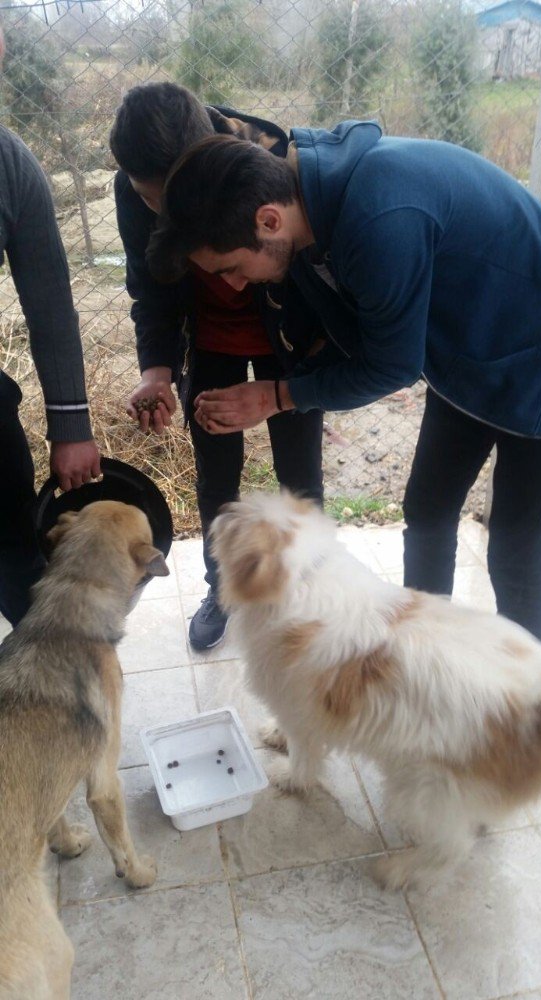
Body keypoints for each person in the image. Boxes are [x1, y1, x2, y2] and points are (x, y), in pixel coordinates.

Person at [147, 121, 541, 646]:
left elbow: (391, 366)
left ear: (268, 219)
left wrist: (279, 396)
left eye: (231, 267)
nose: (233, 285)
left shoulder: (378, 216)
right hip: (469, 356)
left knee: (517, 549)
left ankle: (529, 708)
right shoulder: (309, 210)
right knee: (429, 512)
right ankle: (422, 652)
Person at [109, 83, 324, 651]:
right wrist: (156, 368)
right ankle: (221, 587)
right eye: (150, 202)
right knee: (215, 475)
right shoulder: (133, 189)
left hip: (290, 342)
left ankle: (310, 587)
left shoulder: (274, 163)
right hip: (210, 341)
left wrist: (287, 389)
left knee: (300, 472)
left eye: (168, 201)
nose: (160, 213)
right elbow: (149, 285)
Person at [0, 31, 100, 627]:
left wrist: (71, 427)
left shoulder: (10, 165)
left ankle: (54, 699)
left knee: (17, 555)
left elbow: (52, 306)